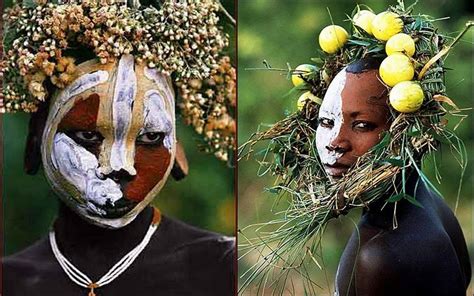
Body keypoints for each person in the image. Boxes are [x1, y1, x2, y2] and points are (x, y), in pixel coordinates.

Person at [1, 1, 235, 295]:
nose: (120, 165)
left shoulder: (223, 268)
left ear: (175, 144)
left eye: (149, 137)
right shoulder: (10, 282)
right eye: (88, 135)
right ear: (37, 134)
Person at [315, 59, 471, 296]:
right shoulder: (426, 196)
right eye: (327, 122)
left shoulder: (379, 255)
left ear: (403, 133)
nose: (335, 142)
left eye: (362, 125)